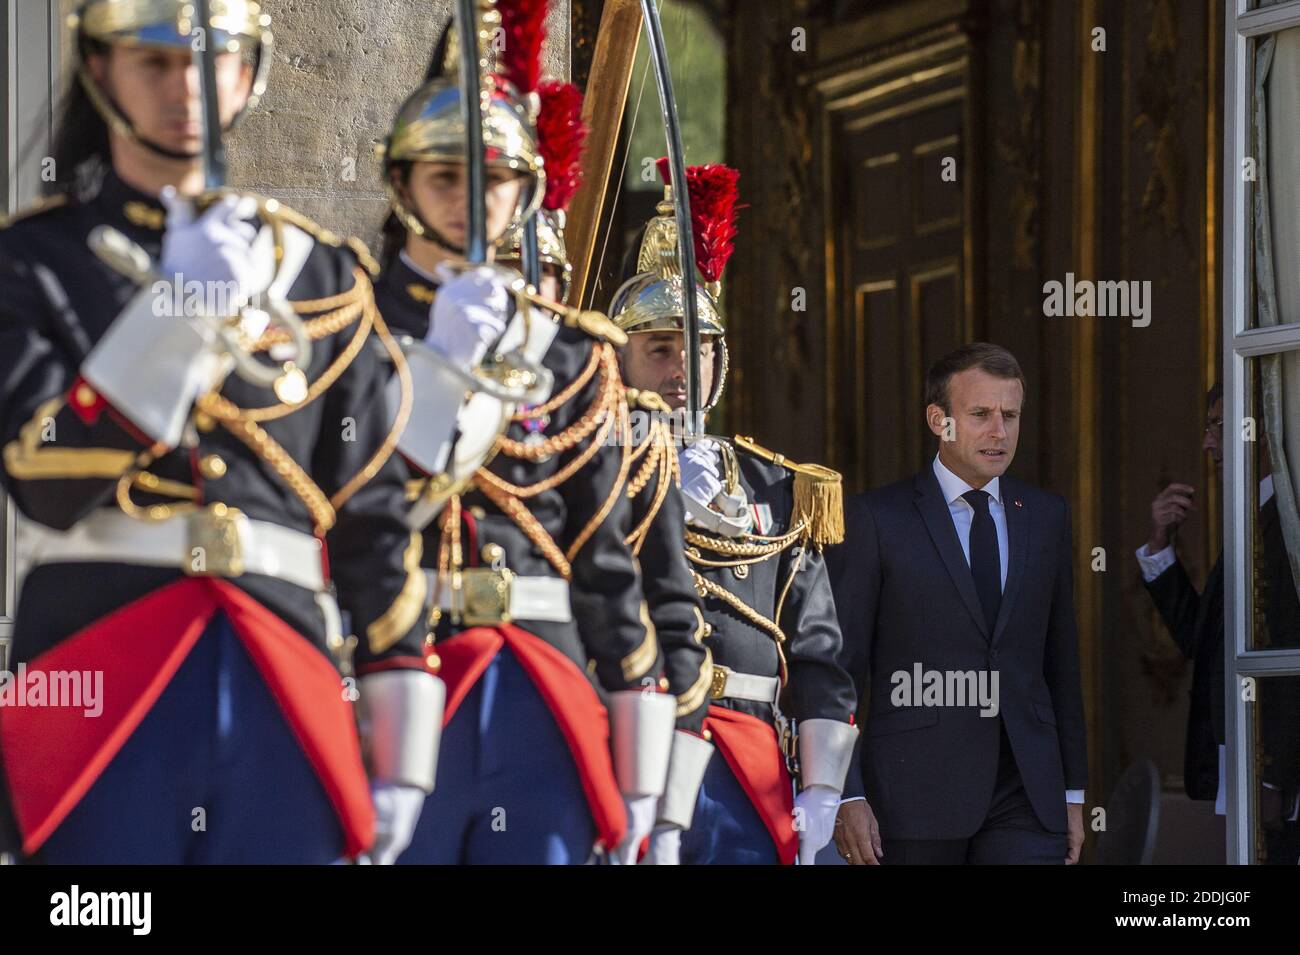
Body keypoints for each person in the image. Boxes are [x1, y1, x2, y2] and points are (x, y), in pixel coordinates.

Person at [0, 0, 447, 864]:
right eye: (154, 62)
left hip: (281, 662)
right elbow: (42, 477)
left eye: (210, 60)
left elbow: (371, 518)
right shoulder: (37, 261)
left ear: (253, 73)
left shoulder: (319, 274)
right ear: (100, 70)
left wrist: (403, 745)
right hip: (97, 660)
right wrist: (179, 315)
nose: (185, 87)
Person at [373, 3, 675, 865]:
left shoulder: (573, 352)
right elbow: (355, 507)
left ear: (529, 189)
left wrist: (635, 731)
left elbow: (604, 558)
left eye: (499, 177)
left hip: (549, 678)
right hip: (412, 660)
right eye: (448, 175)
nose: (476, 200)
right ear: (405, 187)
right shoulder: (362, 322)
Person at [614, 160, 858, 865]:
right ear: (621, 358)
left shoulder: (779, 487)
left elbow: (819, 655)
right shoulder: (592, 472)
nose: (680, 367)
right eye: (659, 349)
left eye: (699, 348)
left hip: (749, 765)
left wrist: (821, 787)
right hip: (634, 743)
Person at [829, 342, 1088, 864]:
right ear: (939, 420)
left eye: (1010, 416)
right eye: (981, 415)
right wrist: (846, 790)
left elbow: (1062, 662)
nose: (1000, 431)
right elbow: (842, 667)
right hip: (911, 797)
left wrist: (1074, 793)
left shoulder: (1046, 515)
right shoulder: (877, 519)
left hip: (1026, 795)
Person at [1138, 383, 1300, 862]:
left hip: (1271, 769)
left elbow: (1289, 654)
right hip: (1246, 759)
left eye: (1219, 428)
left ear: (1264, 431)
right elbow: (1202, 639)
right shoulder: (1254, 515)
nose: (1209, 444)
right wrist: (1159, 545)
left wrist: (1274, 775)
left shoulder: (1287, 519)